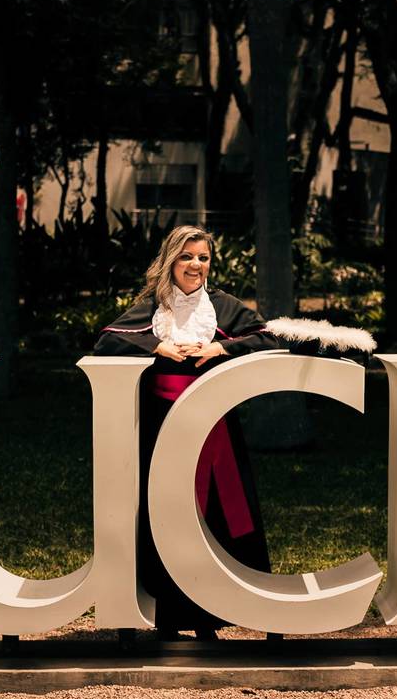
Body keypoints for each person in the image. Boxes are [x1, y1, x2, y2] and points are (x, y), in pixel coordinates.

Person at [94, 225, 277, 641]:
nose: (196, 265)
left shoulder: (224, 308)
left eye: (203, 257)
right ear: (171, 260)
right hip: (162, 426)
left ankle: (208, 617)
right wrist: (155, 347)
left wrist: (222, 348)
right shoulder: (152, 308)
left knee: (214, 517)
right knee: (166, 517)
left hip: (214, 429)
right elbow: (105, 342)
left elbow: (269, 336)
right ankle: (168, 617)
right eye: (187, 257)